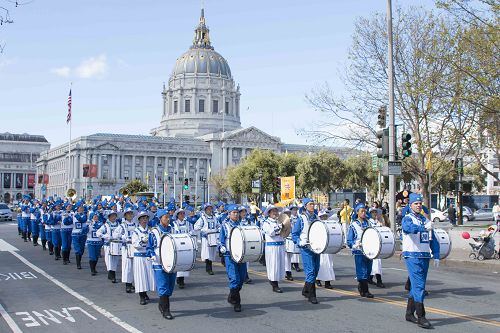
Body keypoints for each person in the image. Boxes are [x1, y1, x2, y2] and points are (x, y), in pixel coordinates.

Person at [402, 193, 440, 329]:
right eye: (415, 203)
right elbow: (408, 229)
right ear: (410, 205)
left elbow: (432, 238)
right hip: (412, 256)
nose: (418, 205)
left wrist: (436, 254)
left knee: (416, 285)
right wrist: (423, 228)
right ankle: (421, 316)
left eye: (419, 203)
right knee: (419, 286)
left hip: (424, 256)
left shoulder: (425, 220)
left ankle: (409, 313)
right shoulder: (408, 218)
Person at [147, 209, 176, 319]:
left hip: (172, 262)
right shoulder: (154, 232)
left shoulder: (172, 229)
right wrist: (152, 254)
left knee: (170, 286)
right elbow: (149, 247)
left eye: (168, 217)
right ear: (160, 219)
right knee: (163, 286)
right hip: (159, 262)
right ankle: (166, 310)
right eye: (165, 217)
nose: (168, 219)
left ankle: (161, 304)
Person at [291, 198, 320, 304]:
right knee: (311, 271)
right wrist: (299, 241)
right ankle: (312, 295)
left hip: (316, 248)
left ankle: (305, 290)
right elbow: (294, 234)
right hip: (306, 248)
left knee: (316, 270)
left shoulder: (317, 217)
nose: (313, 206)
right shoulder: (301, 218)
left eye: (313, 204)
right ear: (305, 206)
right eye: (310, 204)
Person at [219, 204, 247, 312]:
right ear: (229, 214)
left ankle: (232, 296)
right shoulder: (225, 225)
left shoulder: (242, 224)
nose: (236, 214)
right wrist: (222, 248)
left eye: (237, 212)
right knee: (234, 278)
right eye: (233, 213)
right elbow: (220, 240)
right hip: (229, 255)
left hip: (242, 255)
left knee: (241, 277)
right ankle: (237, 302)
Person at [347, 203, 374, 298]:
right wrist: (355, 245)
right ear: (357, 212)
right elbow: (349, 240)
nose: (363, 213)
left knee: (368, 270)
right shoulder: (353, 225)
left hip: (369, 250)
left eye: (364, 211)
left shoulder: (369, 223)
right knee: (362, 270)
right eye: (361, 211)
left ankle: (361, 286)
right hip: (359, 250)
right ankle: (365, 290)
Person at [132, 211, 155, 306]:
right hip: (139, 257)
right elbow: (135, 244)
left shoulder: (151, 230)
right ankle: (141, 296)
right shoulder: (136, 231)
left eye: (146, 218)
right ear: (139, 220)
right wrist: (142, 241)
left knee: (148, 276)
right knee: (140, 276)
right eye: (143, 218)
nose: (145, 220)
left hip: (148, 256)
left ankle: (145, 293)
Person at [261, 205, 286, 293]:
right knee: (273, 265)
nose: (275, 213)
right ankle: (274, 284)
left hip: (280, 245)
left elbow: (285, 232)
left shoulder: (279, 221)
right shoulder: (266, 222)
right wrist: (280, 226)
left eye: (276, 211)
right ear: (269, 213)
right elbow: (271, 232)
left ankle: (275, 281)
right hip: (272, 247)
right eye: (273, 212)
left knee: (280, 265)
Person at [113, 206, 137, 293]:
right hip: (126, 248)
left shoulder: (136, 224)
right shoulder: (122, 225)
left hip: (135, 247)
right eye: (128, 214)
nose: (130, 215)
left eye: (131, 213)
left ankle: (133, 283)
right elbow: (115, 235)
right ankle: (128, 285)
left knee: (135, 266)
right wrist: (123, 237)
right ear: (125, 216)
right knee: (127, 266)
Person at [194, 203, 220, 275]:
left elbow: (218, 225)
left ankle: (209, 267)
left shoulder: (214, 218)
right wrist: (202, 231)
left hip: (213, 237)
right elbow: (196, 226)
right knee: (207, 253)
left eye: (210, 208)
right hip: (206, 238)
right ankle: (209, 268)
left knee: (212, 252)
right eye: (208, 209)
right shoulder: (202, 218)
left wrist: (217, 230)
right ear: (205, 210)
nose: (209, 210)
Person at [96, 210, 121, 283]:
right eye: (112, 216)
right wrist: (105, 236)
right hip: (108, 245)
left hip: (117, 245)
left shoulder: (119, 225)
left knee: (115, 261)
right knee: (109, 260)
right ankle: (112, 275)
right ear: (109, 217)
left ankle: (112, 274)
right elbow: (98, 232)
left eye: (114, 216)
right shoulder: (105, 225)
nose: (113, 217)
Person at [172, 208, 192, 289]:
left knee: (185, 261)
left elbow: (191, 231)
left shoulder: (188, 223)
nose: (182, 215)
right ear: (177, 215)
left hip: (186, 244)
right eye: (180, 214)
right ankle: (179, 279)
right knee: (178, 261)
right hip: (178, 244)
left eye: (183, 213)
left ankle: (182, 279)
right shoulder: (174, 223)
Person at [316, 210, 335, 289]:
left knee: (329, 264)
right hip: (320, 247)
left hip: (328, 247)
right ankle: (318, 279)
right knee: (321, 263)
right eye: (322, 216)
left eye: (325, 216)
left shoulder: (330, 225)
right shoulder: (317, 225)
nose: (324, 218)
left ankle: (328, 282)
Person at [367, 207, 385, 288]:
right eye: (373, 212)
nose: (374, 214)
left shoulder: (379, 222)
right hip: (371, 244)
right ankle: (379, 280)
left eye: (375, 212)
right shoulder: (368, 222)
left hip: (378, 244)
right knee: (375, 262)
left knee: (376, 262)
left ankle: (370, 278)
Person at [72, 202, 89, 269]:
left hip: (83, 234)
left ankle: (79, 260)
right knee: (77, 249)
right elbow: (67, 222)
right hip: (75, 234)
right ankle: (78, 264)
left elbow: (83, 220)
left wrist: (77, 215)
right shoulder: (73, 215)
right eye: (80, 208)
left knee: (82, 249)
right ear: (77, 209)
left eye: (82, 208)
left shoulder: (84, 215)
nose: (81, 209)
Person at [286, 205, 302, 276]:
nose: (295, 211)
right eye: (294, 210)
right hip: (289, 238)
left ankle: (296, 265)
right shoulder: (289, 219)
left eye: (296, 210)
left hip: (297, 237)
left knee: (296, 254)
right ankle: (288, 271)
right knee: (288, 256)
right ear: (291, 211)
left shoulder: (299, 218)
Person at [86, 212, 104, 276]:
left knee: (96, 256)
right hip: (91, 241)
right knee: (92, 256)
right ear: (92, 217)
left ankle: (94, 268)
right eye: (94, 216)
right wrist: (86, 226)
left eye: (97, 216)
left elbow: (101, 228)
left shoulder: (100, 223)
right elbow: (85, 231)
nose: (96, 217)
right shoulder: (88, 223)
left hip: (98, 242)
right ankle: (92, 270)